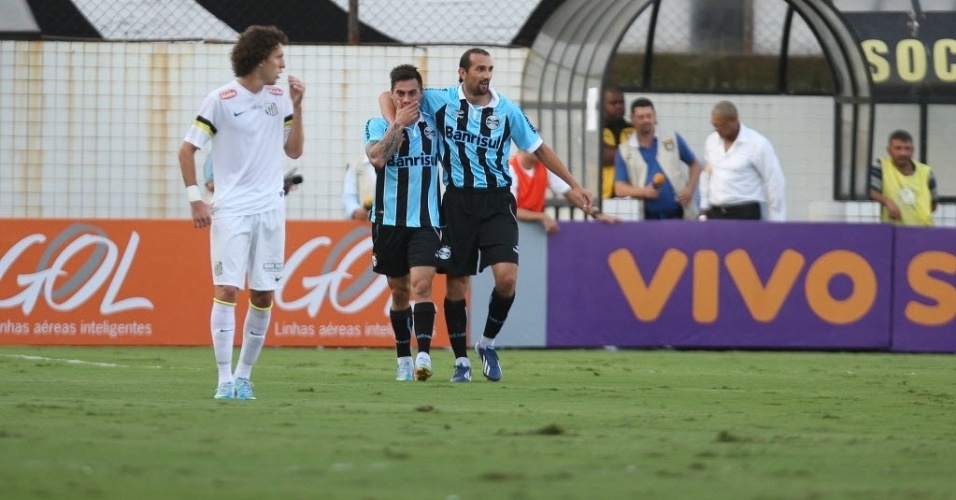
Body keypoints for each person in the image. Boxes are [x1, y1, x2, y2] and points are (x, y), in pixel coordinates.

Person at [382, 47, 593, 383]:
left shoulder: (506, 109)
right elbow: (389, 94)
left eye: (489, 69)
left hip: (497, 202)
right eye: (479, 69)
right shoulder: (441, 99)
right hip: (456, 202)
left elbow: (538, 147)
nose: (486, 75)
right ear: (462, 73)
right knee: (456, 286)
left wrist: (574, 184)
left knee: (507, 279)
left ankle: (487, 343)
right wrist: (395, 119)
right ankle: (461, 361)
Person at [177, 25, 305, 400]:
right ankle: (223, 380)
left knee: (263, 295)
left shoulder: (280, 97)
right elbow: (187, 151)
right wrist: (195, 198)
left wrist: (297, 107)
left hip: (270, 210)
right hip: (231, 209)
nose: (283, 64)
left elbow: (294, 151)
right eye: (279, 57)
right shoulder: (220, 98)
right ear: (261, 58)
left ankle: (245, 376)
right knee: (227, 289)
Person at [365, 64, 443, 382]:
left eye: (413, 93)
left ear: (421, 94)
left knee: (422, 286)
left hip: (426, 220)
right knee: (399, 293)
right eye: (401, 93)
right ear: (393, 95)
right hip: (388, 221)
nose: (407, 98)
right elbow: (378, 158)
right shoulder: (376, 124)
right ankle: (403, 359)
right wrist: (396, 124)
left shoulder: (435, 125)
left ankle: (423, 354)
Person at [612, 97, 701, 220]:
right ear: (632, 119)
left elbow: (695, 164)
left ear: (655, 117)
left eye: (649, 116)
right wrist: (644, 192)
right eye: (641, 117)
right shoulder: (624, 149)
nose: (646, 120)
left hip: (679, 216)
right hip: (646, 220)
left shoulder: (672, 138)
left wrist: (690, 189)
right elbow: (619, 189)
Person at [700, 100, 786, 221]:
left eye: (720, 125)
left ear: (734, 120)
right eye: (714, 125)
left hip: (745, 213)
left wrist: (776, 219)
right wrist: (704, 206)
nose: (716, 129)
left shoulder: (757, 143)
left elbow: (773, 180)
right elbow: (706, 174)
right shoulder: (711, 141)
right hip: (716, 212)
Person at [509, 149, 619, 232]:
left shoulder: (544, 168)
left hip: (533, 227)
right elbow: (509, 209)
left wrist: (596, 214)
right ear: (520, 147)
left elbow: (569, 193)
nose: (536, 149)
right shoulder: (509, 169)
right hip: (510, 228)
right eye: (531, 144)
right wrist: (541, 216)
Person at [868, 129, 938, 226]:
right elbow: (871, 191)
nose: (903, 153)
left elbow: (933, 205)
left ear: (913, 150)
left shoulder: (926, 172)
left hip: (924, 231)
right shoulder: (881, 166)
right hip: (894, 231)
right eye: (898, 148)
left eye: (907, 148)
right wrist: (888, 202)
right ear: (889, 150)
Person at [602, 86, 634, 199]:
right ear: (602, 104)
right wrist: (632, 153)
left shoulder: (632, 130)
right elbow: (602, 156)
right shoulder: (595, 130)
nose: (619, 106)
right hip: (602, 195)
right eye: (613, 103)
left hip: (629, 194)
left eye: (621, 102)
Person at [341, 155, 377, 220]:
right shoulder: (356, 165)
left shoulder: (398, 165)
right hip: (365, 223)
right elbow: (349, 196)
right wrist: (355, 211)